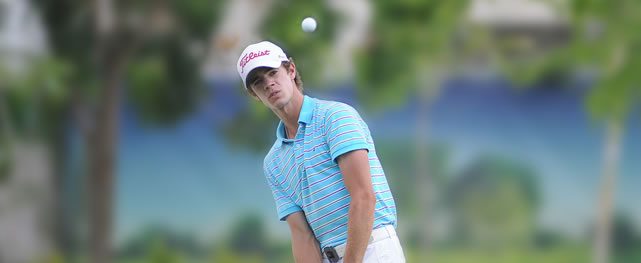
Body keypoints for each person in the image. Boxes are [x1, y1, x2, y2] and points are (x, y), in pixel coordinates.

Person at [236, 40, 405, 263]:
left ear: (291, 70)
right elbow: (302, 235)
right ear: (254, 94)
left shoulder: (335, 117)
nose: (268, 84)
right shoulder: (274, 162)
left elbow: (364, 196)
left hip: (374, 250)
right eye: (258, 82)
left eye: (272, 73)